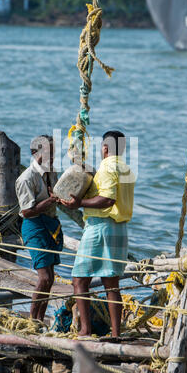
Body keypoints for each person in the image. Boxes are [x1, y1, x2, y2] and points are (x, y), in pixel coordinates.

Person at [60, 130, 135, 337]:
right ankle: (116, 333)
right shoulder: (126, 168)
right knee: (111, 282)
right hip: (119, 229)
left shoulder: (108, 166)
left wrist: (79, 203)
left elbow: (108, 199)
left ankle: (85, 329)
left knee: (79, 279)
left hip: (101, 226)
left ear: (105, 148)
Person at [15, 135, 63, 321]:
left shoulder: (52, 173)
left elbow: (57, 195)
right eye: (48, 152)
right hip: (34, 226)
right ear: (36, 153)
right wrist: (51, 200)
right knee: (43, 277)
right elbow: (26, 211)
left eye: (54, 152)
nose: (52, 156)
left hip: (50, 225)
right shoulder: (26, 178)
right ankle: (33, 321)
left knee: (50, 279)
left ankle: (40, 319)